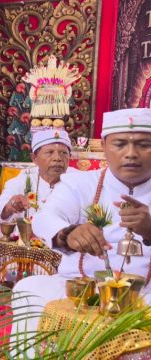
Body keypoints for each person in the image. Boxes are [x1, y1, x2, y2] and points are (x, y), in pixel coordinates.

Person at [13, 108, 151, 338]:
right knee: (28, 291)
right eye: (119, 144)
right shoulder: (80, 183)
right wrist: (68, 233)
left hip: (146, 293)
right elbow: (46, 217)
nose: (131, 153)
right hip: (80, 287)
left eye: (144, 145)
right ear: (104, 147)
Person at [0, 128, 76, 279]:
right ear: (34, 158)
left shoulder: (78, 180)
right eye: (49, 152)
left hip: (63, 248)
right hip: (27, 247)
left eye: (63, 153)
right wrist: (10, 206)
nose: (57, 158)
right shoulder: (24, 178)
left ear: (69, 157)